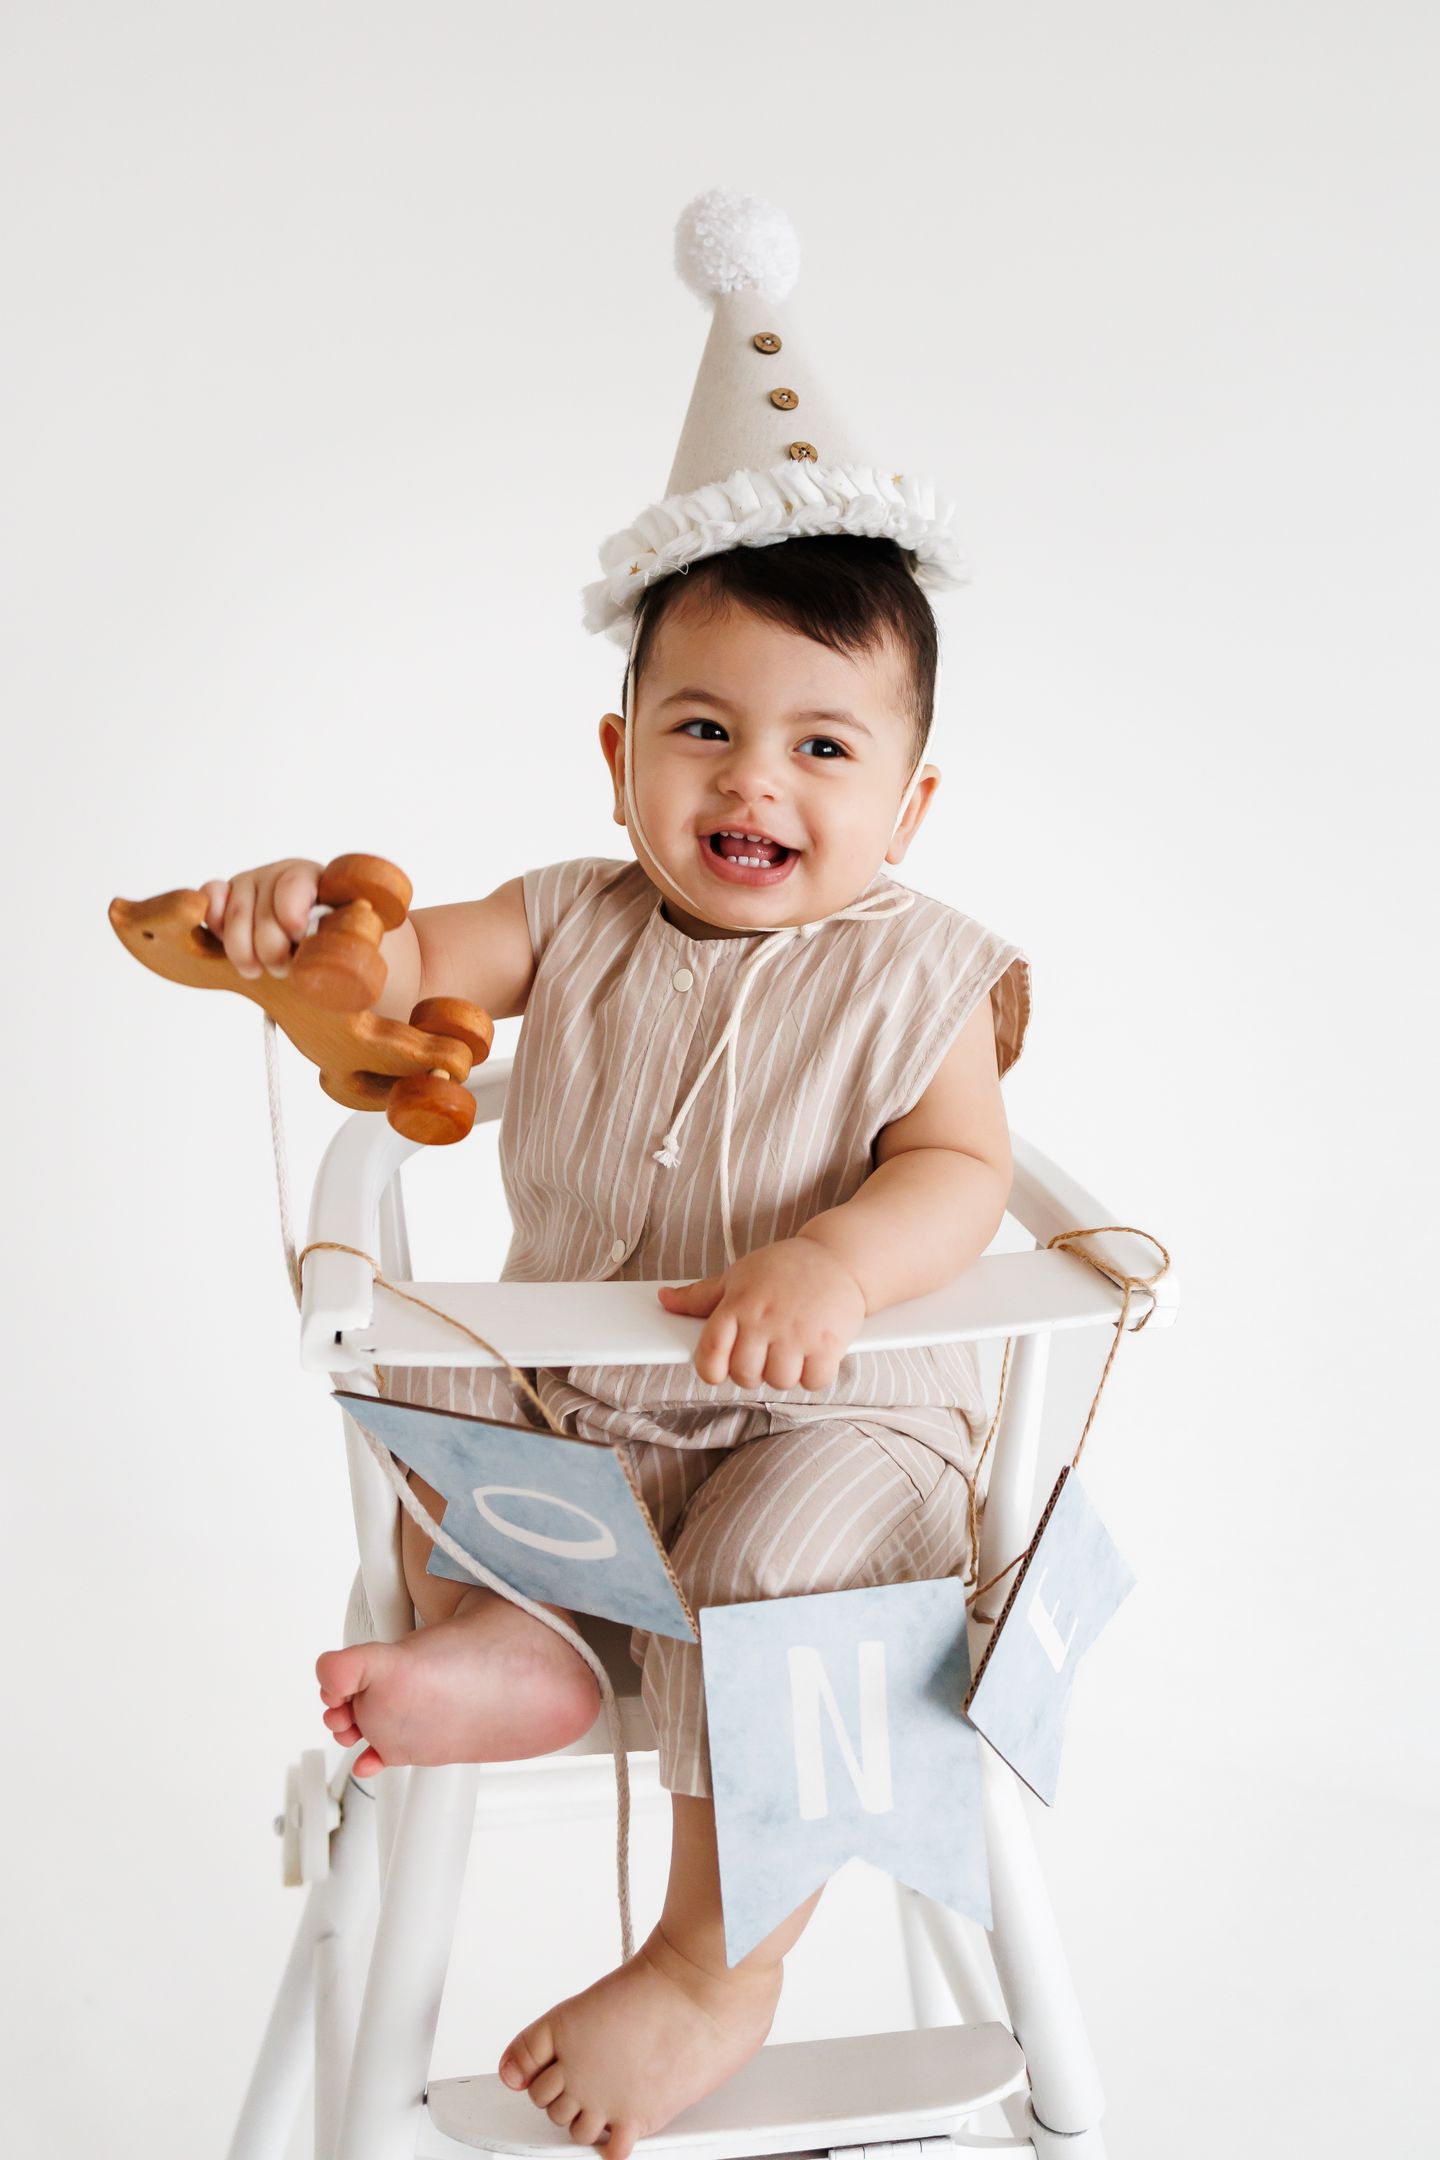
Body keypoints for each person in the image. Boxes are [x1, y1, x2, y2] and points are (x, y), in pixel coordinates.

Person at [202, 194, 1032, 2159]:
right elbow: (407, 977)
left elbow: (961, 1175)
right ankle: (529, 1644)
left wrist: (839, 1265)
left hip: (834, 1419)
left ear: (909, 801)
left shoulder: (921, 972)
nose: (755, 781)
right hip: (589, 1405)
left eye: (823, 748)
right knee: (444, 1409)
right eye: (705, 729)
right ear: (619, 753)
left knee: (775, 1567)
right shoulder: (568, 917)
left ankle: (714, 1959)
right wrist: (320, 936)